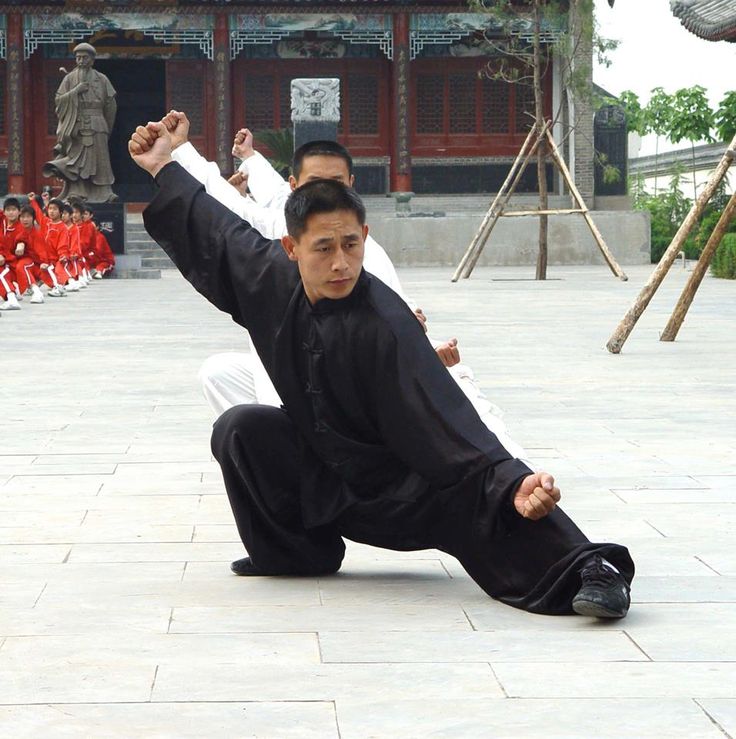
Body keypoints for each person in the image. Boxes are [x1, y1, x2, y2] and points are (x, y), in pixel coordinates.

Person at [130, 120, 634, 618]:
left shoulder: (387, 323)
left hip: (408, 495)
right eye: (323, 249)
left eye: (351, 246)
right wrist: (162, 167)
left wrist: (513, 480)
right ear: (292, 248)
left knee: (485, 489)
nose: (341, 265)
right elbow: (215, 227)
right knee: (241, 429)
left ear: (364, 237)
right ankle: (293, 553)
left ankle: (588, 568)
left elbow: (455, 425)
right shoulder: (267, 277)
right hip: (329, 482)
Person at [162, 112, 529, 464]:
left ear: (352, 189)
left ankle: (516, 480)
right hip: (298, 375)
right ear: (293, 244)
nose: (337, 261)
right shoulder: (280, 226)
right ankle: (284, 469)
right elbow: (231, 205)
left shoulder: (361, 249)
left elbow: (396, 318)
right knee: (220, 375)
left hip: (360, 377)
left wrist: (427, 347)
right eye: (313, 187)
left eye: (334, 186)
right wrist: (180, 152)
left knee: (456, 394)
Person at [42, 43, 117, 202]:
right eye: (78, 58)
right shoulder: (69, 78)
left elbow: (110, 105)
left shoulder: (102, 79)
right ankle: (77, 191)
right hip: (76, 124)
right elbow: (59, 101)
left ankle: (104, 192)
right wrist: (76, 91)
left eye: (84, 57)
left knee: (100, 160)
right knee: (76, 160)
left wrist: (106, 127)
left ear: (92, 60)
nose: (81, 61)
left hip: (97, 123)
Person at [13, 205, 46, 304]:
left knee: (22, 266)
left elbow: (42, 252)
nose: (25, 219)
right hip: (20, 261)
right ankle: (13, 291)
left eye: (28, 217)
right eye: (22, 217)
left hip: (36, 264)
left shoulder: (37, 234)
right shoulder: (16, 231)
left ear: (33, 218)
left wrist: (44, 263)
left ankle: (36, 291)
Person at [0, 198, 22, 311]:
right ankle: (14, 289)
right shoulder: (3, 221)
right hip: (4, 260)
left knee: (1, 274)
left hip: (13, 263)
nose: (11, 212)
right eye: (8, 210)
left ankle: (11, 298)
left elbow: (21, 242)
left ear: (19, 212)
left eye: (14, 210)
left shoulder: (21, 227)